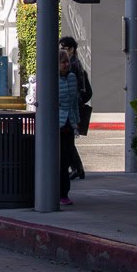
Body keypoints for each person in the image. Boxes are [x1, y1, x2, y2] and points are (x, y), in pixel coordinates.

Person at [59, 36, 93, 180]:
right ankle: (77, 168)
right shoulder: (75, 62)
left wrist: (76, 105)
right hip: (72, 107)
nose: (62, 51)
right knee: (68, 141)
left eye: (64, 48)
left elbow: (79, 89)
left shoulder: (72, 65)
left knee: (67, 142)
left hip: (70, 107)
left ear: (72, 49)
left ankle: (76, 168)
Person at [56, 49, 82, 206]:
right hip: (55, 126)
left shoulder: (72, 78)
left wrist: (76, 122)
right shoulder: (50, 78)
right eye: (63, 62)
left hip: (68, 125)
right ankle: (53, 191)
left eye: (67, 61)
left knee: (65, 161)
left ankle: (64, 194)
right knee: (55, 161)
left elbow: (74, 103)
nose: (66, 64)